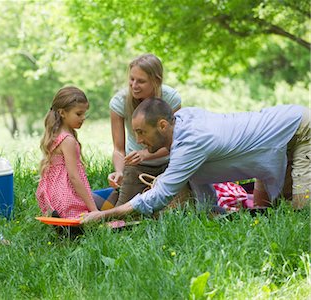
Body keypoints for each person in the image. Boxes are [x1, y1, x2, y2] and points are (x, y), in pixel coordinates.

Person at [82, 98, 310, 222]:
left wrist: (103, 215)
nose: (138, 140)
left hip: (299, 128)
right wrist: (213, 214)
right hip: (273, 141)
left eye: (141, 132)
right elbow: (201, 180)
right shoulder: (181, 121)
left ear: (162, 125)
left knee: (303, 212)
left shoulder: (191, 143)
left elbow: (159, 196)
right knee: (267, 211)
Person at [108, 53, 182, 206]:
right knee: (124, 211)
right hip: (136, 167)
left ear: (156, 81)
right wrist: (120, 171)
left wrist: (145, 154)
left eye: (141, 81)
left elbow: (177, 142)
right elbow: (118, 149)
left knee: (177, 208)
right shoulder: (119, 102)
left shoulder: (171, 99)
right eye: (131, 79)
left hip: (170, 163)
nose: (134, 85)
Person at [36, 86, 104, 219]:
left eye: (84, 113)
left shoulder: (56, 135)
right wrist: (94, 210)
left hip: (54, 198)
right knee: (105, 207)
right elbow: (74, 177)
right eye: (79, 114)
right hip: (66, 199)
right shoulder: (68, 140)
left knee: (105, 197)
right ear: (62, 113)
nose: (83, 118)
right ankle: (70, 220)